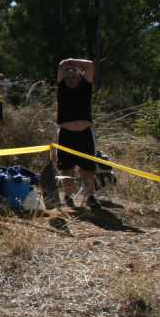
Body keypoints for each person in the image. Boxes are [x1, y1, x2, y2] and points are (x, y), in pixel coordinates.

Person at [56, 57, 98, 207]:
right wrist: (68, 63)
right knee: (66, 167)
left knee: (88, 168)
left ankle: (90, 196)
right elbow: (61, 65)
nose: (71, 75)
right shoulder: (62, 85)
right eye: (68, 73)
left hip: (84, 133)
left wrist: (72, 62)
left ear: (81, 74)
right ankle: (68, 196)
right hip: (66, 134)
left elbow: (90, 65)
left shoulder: (86, 85)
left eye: (74, 73)